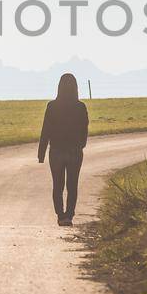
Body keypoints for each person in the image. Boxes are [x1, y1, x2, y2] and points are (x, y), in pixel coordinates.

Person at [38, 72, 89, 226]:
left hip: (56, 150)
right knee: (72, 184)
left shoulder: (52, 106)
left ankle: (60, 215)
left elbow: (45, 129)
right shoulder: (80, 107)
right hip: (74, 150)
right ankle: (69, 215)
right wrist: (81, 145)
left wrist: (41, 153)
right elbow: (84, 128)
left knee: (57, 184)